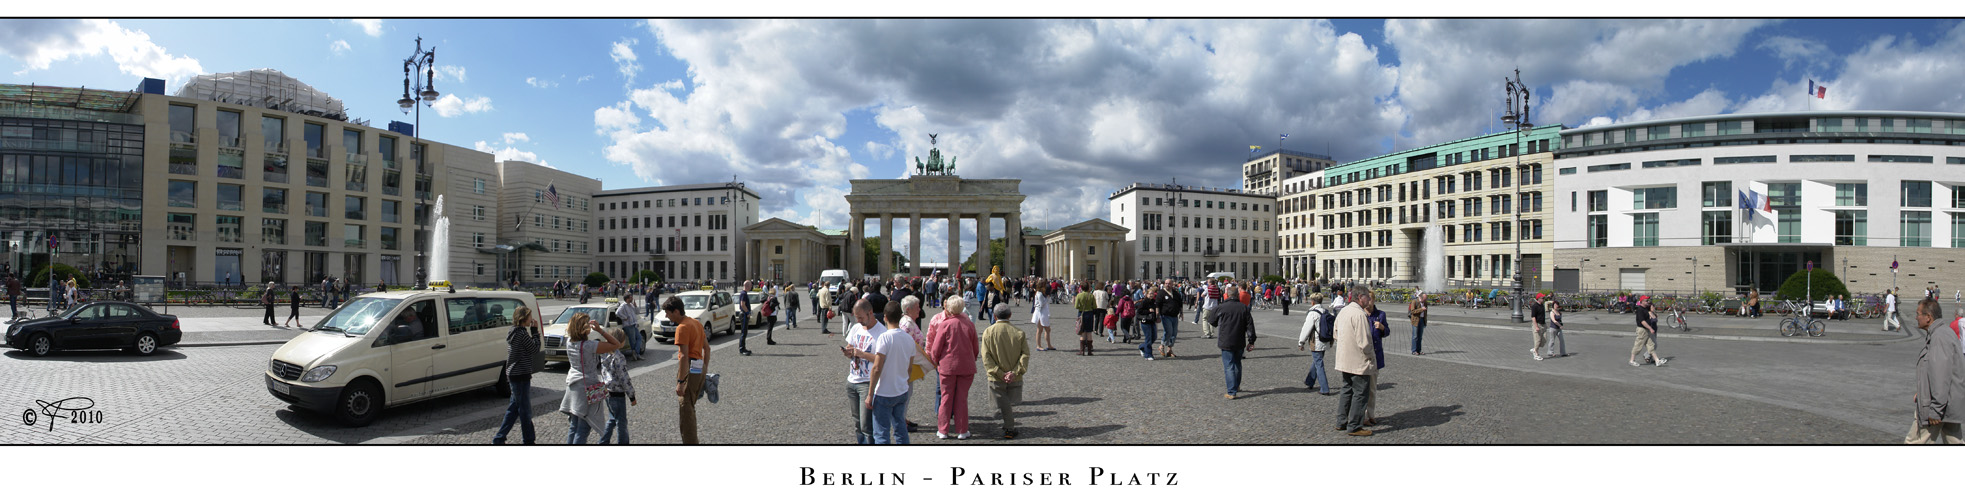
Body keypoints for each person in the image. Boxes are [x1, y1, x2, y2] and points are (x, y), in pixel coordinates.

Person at [557, 313, 621, 444]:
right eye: (587, 324)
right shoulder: (589, 346)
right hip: (587, 387)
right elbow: (616, 344)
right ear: (583, 328)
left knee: (574, 426)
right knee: (584, 427)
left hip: (573, 385)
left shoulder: (569, 342)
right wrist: (600, 330)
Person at [1908, 298, 1965, 444]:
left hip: (1937, 406)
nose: (1916, 317)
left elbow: (1941, 376)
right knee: (1955, 441)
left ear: (1928, 317)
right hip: (1947, 404)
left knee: (1914, 442)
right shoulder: (1941, 333)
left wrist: (1935, 409)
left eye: (1918, 313)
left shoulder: (1939, 337)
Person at [862, 302, 918, 444]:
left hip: (884, 392)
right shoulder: (909, 339)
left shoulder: (885, 338)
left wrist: (870, 393)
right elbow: (909, 368)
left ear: (885, 317)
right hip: (901, 390)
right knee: (900, 429)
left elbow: (876, 367)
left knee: (881, 432)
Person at [926, 296, 977, 439]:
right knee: (962, 398)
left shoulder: (945, 324)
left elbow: (936, 348)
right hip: (966, 366)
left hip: (947, 366)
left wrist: (935, 361)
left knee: (946, 398)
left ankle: (943, 430)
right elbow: (975, 348)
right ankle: (962, 430)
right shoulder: (970, 324)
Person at [979, 303, 1030, 440]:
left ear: (994, 316)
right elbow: (1025, 355)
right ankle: (1009, 426)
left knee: (1003, 403)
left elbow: (986, 356)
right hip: (1014, 377)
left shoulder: (988, 332)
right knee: (1007, 403)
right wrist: (1015, 372)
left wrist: (1000, 373)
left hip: (996, 377)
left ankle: (1009, 427)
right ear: (1010, 315)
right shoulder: (1019, 332)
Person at [493, 305, 541, 444]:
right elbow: (534, 349)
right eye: (530, 317)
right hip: (520, 376)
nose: (531, 319)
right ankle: (529, 440)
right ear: (524, 318)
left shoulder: (513, 331)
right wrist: (535, 331)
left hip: (515, 374)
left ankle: (499, 438)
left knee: (513, 410)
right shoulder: (521, 333)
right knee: (525, 411)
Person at [1333, 286, 1377, 436]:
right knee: (1360, 393)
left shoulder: (1344, 311)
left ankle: (1341, 422)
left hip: (1344, 359)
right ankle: (1355, 426)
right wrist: (1371, 356)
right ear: (1360, 297)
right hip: (1358, 361)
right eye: (1367, 297)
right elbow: (1364, 342)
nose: (1369, 300)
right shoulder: (1359, 315)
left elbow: (1336, 333)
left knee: (1346, 390)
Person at [665, 296, 709, 444]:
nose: (666, 316)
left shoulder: (682, 327)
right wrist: (705, 368)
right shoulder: (696, 322)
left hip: (689, 368)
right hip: (699, 367)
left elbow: (684, 356)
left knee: (686, 410)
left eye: (668, 313)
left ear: (676, 311)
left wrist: (680, 381)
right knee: (690, 405)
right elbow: (707, 349)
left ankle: (690, 443)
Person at [840, 299, 884, 443]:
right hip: (852, 380)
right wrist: (848, 352)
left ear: (870, 313)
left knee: (866, 425)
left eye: (860, 317)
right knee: (857, 423)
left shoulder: (881, 333)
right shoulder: (856, 328)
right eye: (856, 317)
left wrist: (862, 354)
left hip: (867, 382)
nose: (858, 320)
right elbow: (850, 346)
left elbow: (881, 360)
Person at [1209, 284, 1257, 400]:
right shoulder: (1243, 308)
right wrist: (1251, 340)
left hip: (1225, 339)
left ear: (1227, 295)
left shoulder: (1221, 307)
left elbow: (1211, 320)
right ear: (1237, 295)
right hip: (1239, 339)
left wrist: (1218, 324)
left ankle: (1231, 391)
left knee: (1229, 365)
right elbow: (1250, 326)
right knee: (1237, 363)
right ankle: (1237, 385)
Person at [596, 325, 638, 444]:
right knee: (621, 422)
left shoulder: (604, 354)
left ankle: (603, 441)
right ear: (620, 341)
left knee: (612, 419)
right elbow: (624, 378)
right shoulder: (618, 356)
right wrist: (632, 396)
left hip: (607, 390)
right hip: (617, 393)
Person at [1296, 293, 1332, 395]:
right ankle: (1309, 381)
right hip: (1325, 340)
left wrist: (1301, 342)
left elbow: (1306, 329)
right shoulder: (1325, 311)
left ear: (1312, 302)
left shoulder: (1313, 313)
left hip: (1316, 341)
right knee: (1317, 361)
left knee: (1318, 363)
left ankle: (1324, 388)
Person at [1629, 295, 1665, 367]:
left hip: (1647, 330)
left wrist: (1652, 308)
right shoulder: (1640, 310)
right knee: (1638, 345)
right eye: (1646, 301)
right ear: (1642, 302)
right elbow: (1642, 321)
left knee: (1651, 345)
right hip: (1642, 330)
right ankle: (1632, 360)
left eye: (1648, 300)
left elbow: (1652, 309)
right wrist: (1650, 328)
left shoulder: (1645, 308)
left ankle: (1657, 361)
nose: (1648, 302)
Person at [1159, 283, 1183, 358]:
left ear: (1172, 285)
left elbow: (1180, 304)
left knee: (1174, 333)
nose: (1168, 285)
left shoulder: (1176, 293)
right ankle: (1162, 346)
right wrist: (1157, 314)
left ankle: (1169, 349)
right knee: (1168, 331)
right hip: (1165, 315)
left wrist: (1181, 313)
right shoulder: (1161, 293)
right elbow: (1158, 304)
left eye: (1169, 283)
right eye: (1166, 283)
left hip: (1174, 316)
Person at [1073, 282, 1098, 355]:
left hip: (1082, 314)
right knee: (1089, 332)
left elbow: (1076, 306)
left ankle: (1082, 351)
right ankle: (1089, 351)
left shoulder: (1079, 295)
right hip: (1089, 314)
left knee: (1082, 332)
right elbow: (1095, 307)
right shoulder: (1091, 296)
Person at [618, 294, 644, 361]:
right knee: (633, 340)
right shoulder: (623, 305)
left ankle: (635, 352)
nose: (632, 298)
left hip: (634, 324)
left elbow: (637, 312)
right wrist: (624, 317)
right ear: (627, 298)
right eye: (631, 297)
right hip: (628, 325)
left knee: (639, 337)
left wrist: (635, 306)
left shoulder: (631, 305)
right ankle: (636, 354)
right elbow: (617, 312)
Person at [1137, 288, 1161, 360]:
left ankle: (1142, 347)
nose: (1151, 295)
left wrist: (1157, 317)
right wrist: (1148, 311)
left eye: (1152, 294)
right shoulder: (1144, 302)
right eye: (1150, 293)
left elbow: (1155, 311)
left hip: (1152, 321)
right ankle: (1148, 355)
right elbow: (1139, 311)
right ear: (1147, 294)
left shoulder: (1154, 301)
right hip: (1145, 321)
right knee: (1148, 338)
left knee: (1154, 337)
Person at [1030, 282, 1054, 351]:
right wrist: (1047, 299)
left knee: (1047, 329)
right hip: (1040, 313)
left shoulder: (1041, 293)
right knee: (1040, 330)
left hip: (1043, 312)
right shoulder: (1039, 294)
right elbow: (1041, 304)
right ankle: (1038, 345)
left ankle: (1049, 345)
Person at [1530, 293, 1549, 361]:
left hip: (1543, 324)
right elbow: (1533, 317)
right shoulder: (1535, 306)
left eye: (1544, 298)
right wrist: (1536, 326)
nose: (1543, 299)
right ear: (1538, 298)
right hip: (1537, 325)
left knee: (1544, 340)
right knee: (1537, 340)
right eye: (1542, 298)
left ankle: (1535, 349)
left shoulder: (1542, 305)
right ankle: (1536, 354)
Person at [737, 285, 755, 355]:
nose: (751, 287)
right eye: (750, 285)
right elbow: (742, 304)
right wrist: (747, 312)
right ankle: (742, 349)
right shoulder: (743, 294)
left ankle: (743, 347)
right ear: (747, 286)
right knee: (743, 332)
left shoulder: (744, 293)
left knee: (744, 332)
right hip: (744, 314)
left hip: (744, 314)